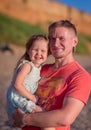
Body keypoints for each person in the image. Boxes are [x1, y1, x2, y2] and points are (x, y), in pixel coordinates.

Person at [13, 20, 91, 130]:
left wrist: (25, 119)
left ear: (74, 42)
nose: (55, 44)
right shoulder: (40, 69)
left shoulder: (80, 76)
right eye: (52, 39)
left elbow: (66, 117)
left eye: (61, 38)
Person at [6, 34, 55, 130]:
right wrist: (32, 97)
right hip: (18, 99)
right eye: (35, 50)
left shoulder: (38, 68)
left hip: (22, 99)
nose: (38, 53)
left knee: (20, 123)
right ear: (28, 51)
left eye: (43, 51)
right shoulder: (27, 66)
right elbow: (17, 84)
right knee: (44, 115)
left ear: (48, 53)